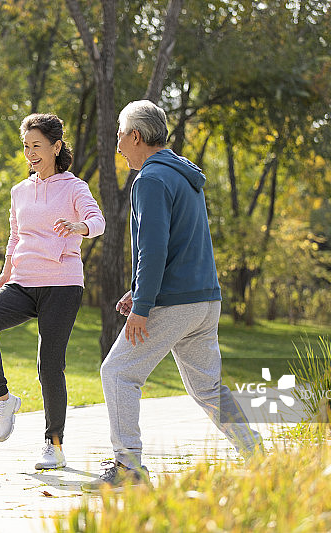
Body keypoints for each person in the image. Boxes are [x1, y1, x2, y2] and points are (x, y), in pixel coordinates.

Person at [82, 100, 262, 492]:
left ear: (136, 136)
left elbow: (154, 249)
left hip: (174, 301)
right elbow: (179, 244)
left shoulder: (150, 180)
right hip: (204, 300)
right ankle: (260, 459)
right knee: (208, 388)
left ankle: (128, 468)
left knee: (118, 373)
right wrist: (137, 290)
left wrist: (142, 306)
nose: (117, 146)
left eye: (119, 136)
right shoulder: (183, 175)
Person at [0, 113, 105, 470]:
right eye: (26, 146)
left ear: (56, 147)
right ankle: (2, 399)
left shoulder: (75, 187)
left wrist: (80, 225)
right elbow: (15, 237)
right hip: (24, 281)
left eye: (37, 146)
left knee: (49, 364)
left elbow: (98, 220)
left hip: (62, 283)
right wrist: (4, 274)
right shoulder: (20, 191)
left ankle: (53, 444)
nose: (30, 153)